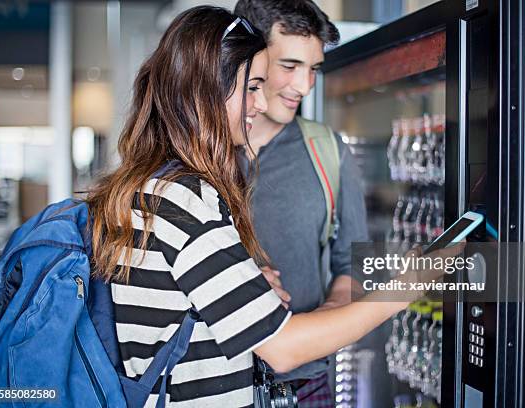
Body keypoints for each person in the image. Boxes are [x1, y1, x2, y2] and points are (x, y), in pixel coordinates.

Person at [86, 6, 456, 407]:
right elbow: (282, 348)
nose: (261, 102)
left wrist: (247, 283)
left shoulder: (155, 186)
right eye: (252, 85)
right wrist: (407, 288)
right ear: (209, 88)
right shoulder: (185, 200)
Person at [233, 0, 366, 403]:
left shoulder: (327, 151)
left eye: (314, 70)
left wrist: (327, 317)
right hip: (218, 388)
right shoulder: (195, 159)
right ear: (249, 59)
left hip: (308, 387)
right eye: (290, 66)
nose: (305, 86)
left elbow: (352, 264)